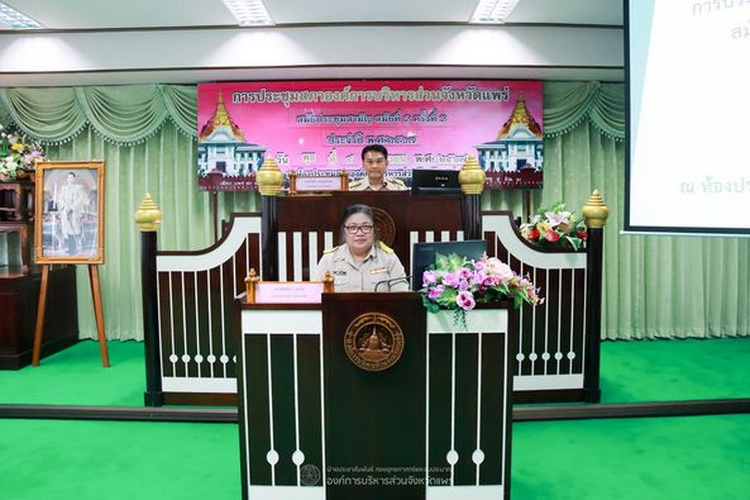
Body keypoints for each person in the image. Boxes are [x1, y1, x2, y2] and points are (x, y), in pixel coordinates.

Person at [315, 204, 408, 292]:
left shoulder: (389, 259)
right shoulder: (329, 260)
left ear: (373, 230)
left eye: (366, 227)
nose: (359, 233)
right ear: (344, 231)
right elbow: (316, 297)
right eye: (352, 227)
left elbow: (401, 296)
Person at [57, 171, 87, 255]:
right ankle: (70, 248)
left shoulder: (78, 188)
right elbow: (60, 199)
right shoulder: (64, 189)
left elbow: (80, 199)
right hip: (66, 212)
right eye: (68, 177)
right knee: (68, 230)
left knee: (73, 230)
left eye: (71, 177)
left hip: (74, 212)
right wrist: (66, 207)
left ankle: (74, 249)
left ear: (74, 179)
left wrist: (72, 207)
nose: (70, 179)